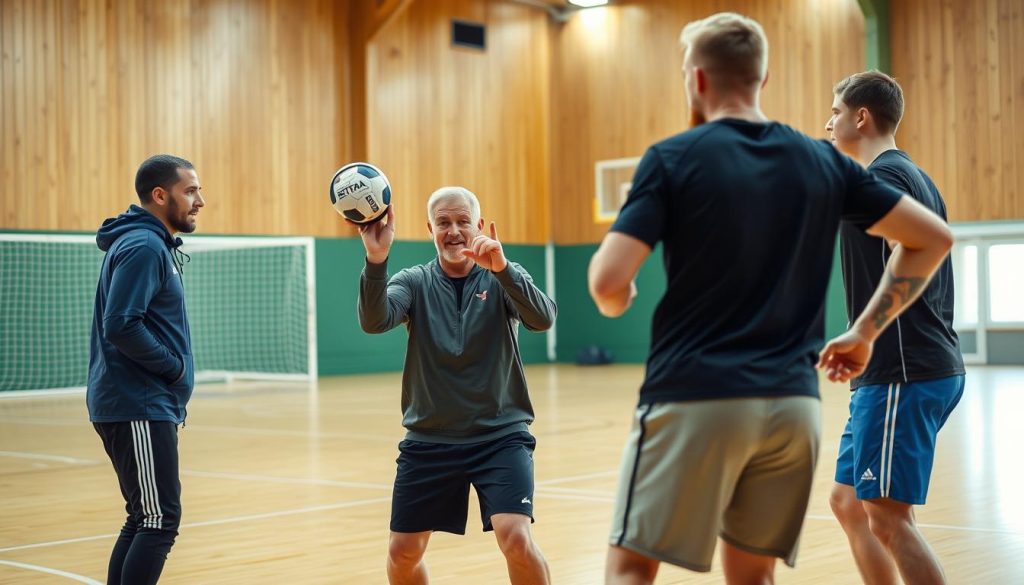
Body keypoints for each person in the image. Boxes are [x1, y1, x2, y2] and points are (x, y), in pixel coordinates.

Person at [587, 13, 954, 585]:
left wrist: (620, 297)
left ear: (697, 80)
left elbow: (608, 285)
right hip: (792, 407)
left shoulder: (674, 155)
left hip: (695, 393)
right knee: (755, 574)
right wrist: (863, 333)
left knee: (632, 567)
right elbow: (931, 238)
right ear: (763, 78)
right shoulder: (824, 161)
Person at [356, 187, 556, 585]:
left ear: (479, 226)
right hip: (430, 440)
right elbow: (375, 321)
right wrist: (376, 260)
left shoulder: (504, 276)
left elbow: (543, 318)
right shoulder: (413, 282)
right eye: (444, 222)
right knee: (402, 552)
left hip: (500, 436)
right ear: (430, 228)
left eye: (463, 221)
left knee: (515, 537)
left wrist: (503, 270)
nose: (454, 231)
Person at [825, 70, 965, 585]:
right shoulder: (909, 175)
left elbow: (911, 251)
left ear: (861, 117)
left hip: (901, 373)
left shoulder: (882, 178)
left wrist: (863, 331)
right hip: (899, 371)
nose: (828, 121)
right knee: (848, 502)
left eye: (835, 111)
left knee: (886, 516)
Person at [87, 154, 205, 584]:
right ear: (160, 195)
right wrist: (173, 368)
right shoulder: (143, 245)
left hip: (141, 401)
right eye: (190, 190)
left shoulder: (150, 243)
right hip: (138, 401)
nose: (200, 200)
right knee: (159, 521)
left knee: (144, 517)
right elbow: (120, 324)